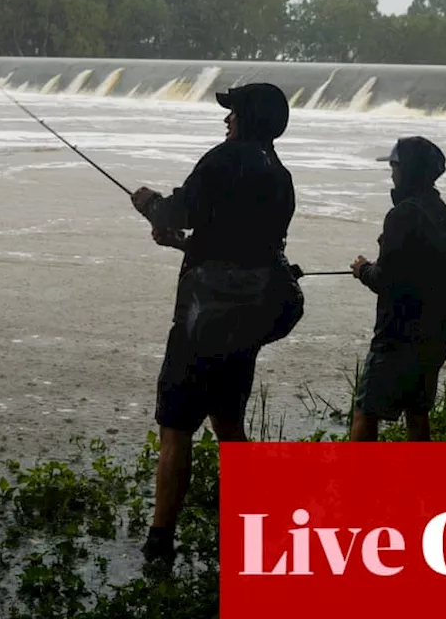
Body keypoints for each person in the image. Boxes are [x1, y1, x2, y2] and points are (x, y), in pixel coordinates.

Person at [129, 82, 301, 568]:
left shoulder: (223, 160)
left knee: (176, 426)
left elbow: (178, 209)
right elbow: (246, 247)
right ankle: (252, 528)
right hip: (248, 321)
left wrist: (149, 204)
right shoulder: (281, 176)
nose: (226, 121)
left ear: (248, 119)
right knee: (229, 424)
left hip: (201, 319)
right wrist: (184, 243)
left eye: (233, 114)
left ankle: (160, 543)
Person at [349, 135, 446, 442]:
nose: (391, 173)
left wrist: (362, 269)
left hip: (397, 336)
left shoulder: (402, 215)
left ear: (407, 171)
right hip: (435, 335)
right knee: (417, 415)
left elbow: (386, 280)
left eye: (394, 166)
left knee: (366, 413)